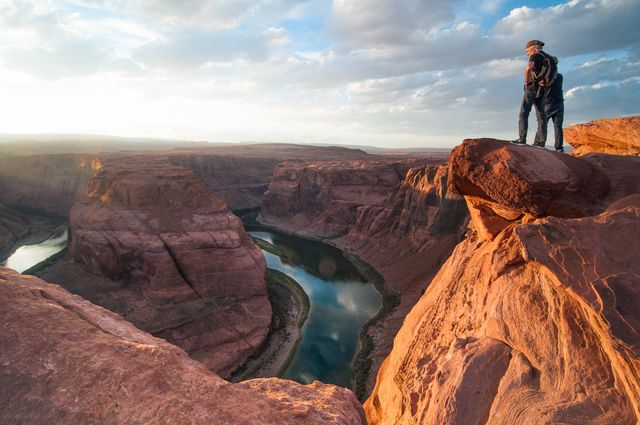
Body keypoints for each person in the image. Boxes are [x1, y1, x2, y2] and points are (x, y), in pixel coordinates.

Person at [512, 40, 557, 147]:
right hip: (542, 89)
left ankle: (522, 139)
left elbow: (528, 68)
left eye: (527, 51)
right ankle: (541, 142)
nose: (527, 54)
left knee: (524, 113)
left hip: (532, 88)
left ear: (533, 48)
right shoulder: (548, 57)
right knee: (541, 116)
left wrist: (527, 82)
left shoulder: (535, 56)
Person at [544, 72, 565, 152]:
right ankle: (559, 147)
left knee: (542, 125)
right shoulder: (560, 76)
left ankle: (540, 143)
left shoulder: (545, 77)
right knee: (558, 127)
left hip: (548, 104)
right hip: (559, 104)